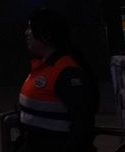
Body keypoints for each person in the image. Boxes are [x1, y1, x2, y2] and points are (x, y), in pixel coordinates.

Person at [16, 9, 95, 152]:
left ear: (46, 35)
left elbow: (83, 124)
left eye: (30, 28)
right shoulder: (44, 66)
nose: (26, 33)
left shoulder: (67, 72)